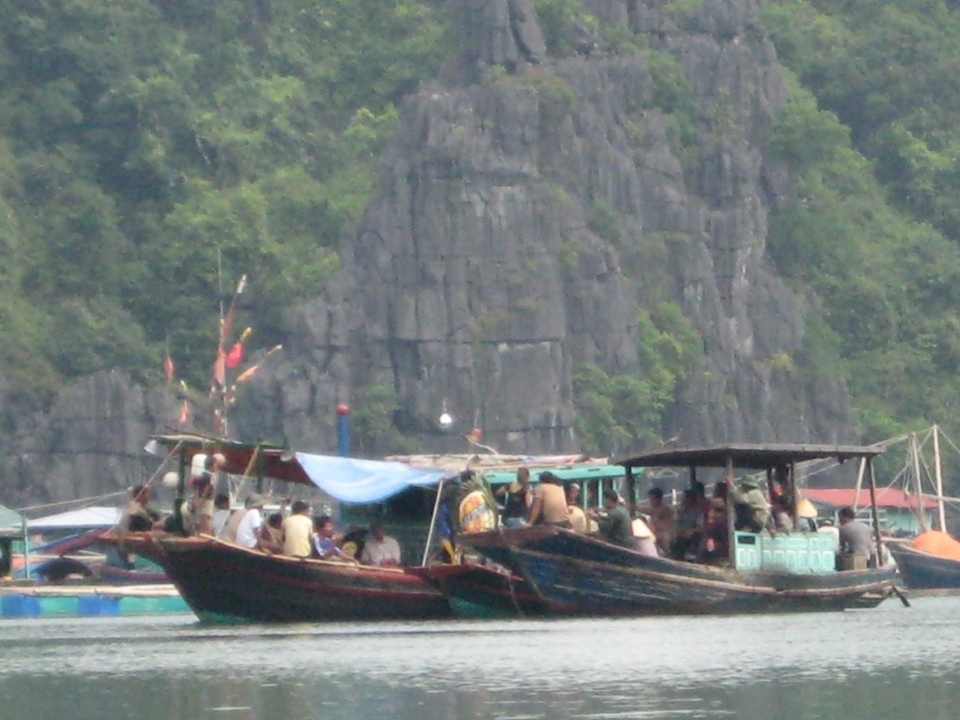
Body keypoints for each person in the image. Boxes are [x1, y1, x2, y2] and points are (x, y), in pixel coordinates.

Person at [670, 489, 704, 560]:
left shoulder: (698, 512)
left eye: (684, 497)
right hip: (680, 534)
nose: (682, 500)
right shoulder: (679, 510)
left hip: (692, 534)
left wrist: (691, 531)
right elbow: (675, 523)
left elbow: (700, 526)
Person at [639, 487, 674, 554]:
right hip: (654, 535)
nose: (650, 500)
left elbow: (651, 511)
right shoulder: (653, 510)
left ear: (659, 498)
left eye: (652, 498)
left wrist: (635, 507)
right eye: (650, 498)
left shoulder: (665, 509)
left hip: (665, 536)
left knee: (665, 538)